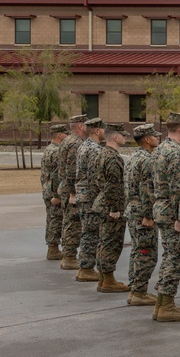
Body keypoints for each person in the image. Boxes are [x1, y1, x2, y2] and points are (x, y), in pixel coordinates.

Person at [152, 112, 180, 322]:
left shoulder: (160, 148)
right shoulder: (178, 153)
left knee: (170, 256)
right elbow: (179, 190)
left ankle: (161, 303)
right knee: (177, 258)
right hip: (173, 213)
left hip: (162, 208)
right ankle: (166, 304)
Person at [91, 123, 130, 293]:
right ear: (115, 137)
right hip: (111, 206)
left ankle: (103, 278)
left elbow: (98, 180)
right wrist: (115, 208)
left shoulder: (101, 153)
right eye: (123, 135)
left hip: (102, 203)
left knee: (104, 241)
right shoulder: (113, 157)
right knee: (111, 243)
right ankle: (108, 280)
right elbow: (113, 185)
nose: (125, 137)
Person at [125, 124, 161, 306]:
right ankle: (139, 291)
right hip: (142, 213)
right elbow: (147, 189)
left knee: (138, 251)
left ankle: (135, 288)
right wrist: (148, 214)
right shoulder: (147, 160)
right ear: (147, 139)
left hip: (132, 209)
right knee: (147, 253)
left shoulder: (133, 157)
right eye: (155, 136)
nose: (157, 138)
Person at [74, 117, 105, 283]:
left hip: (83, 194)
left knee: (88, 231)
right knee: (92, 233)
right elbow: (95, 177)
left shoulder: (83, 145)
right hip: (90, 197)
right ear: (98, 131)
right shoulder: (94, 149)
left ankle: (83, 267)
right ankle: (86, 268)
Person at [57, 114, 88, 270]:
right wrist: (73, 193)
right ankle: (69, 256)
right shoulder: (75, 143)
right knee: (73, 224)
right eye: (86, 124)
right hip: (72, 189)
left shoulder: (69, 141)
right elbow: (71, 171)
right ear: (81, 126)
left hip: (66, 188)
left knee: (69, 222)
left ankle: (68, 254)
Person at [41, 124, 68, 261]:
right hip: (53, 191)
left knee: (51, 219)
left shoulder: (48, 149)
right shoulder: (57, 152)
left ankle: (52, 248)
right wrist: (57, 195)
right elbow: (57, 175)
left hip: (47, 189)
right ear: (59, 135)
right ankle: (53, 249)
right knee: (56, 220)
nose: (67, 136)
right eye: (65, 134)